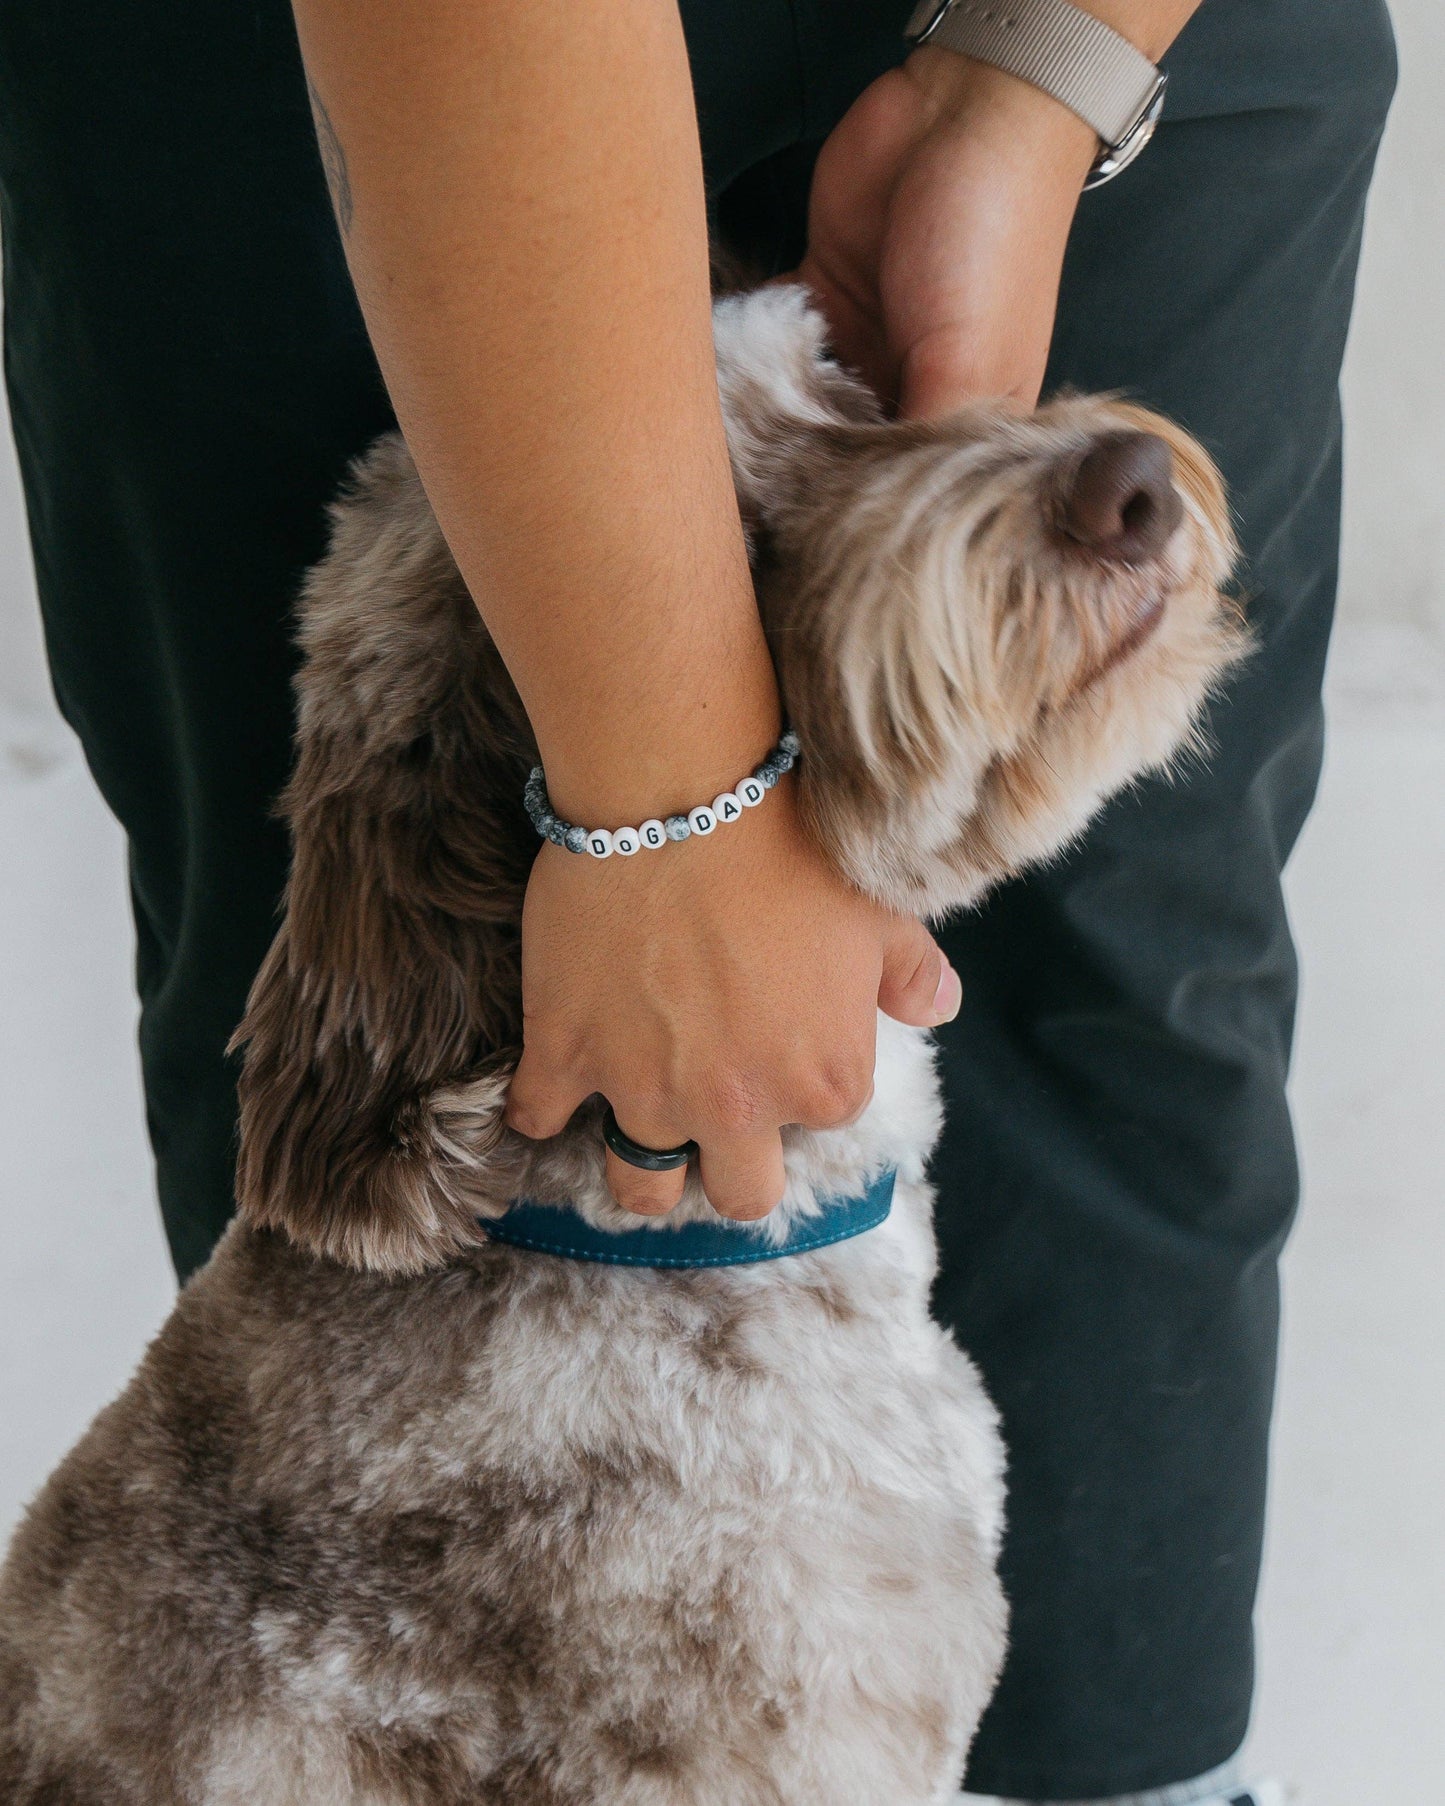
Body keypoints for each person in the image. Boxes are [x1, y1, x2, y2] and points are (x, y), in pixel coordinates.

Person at [0, 0, 1395, 1798]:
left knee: (1132, 972)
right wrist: (670, 802)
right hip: (349, 68)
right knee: (367, 988)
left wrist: (1044, 72)